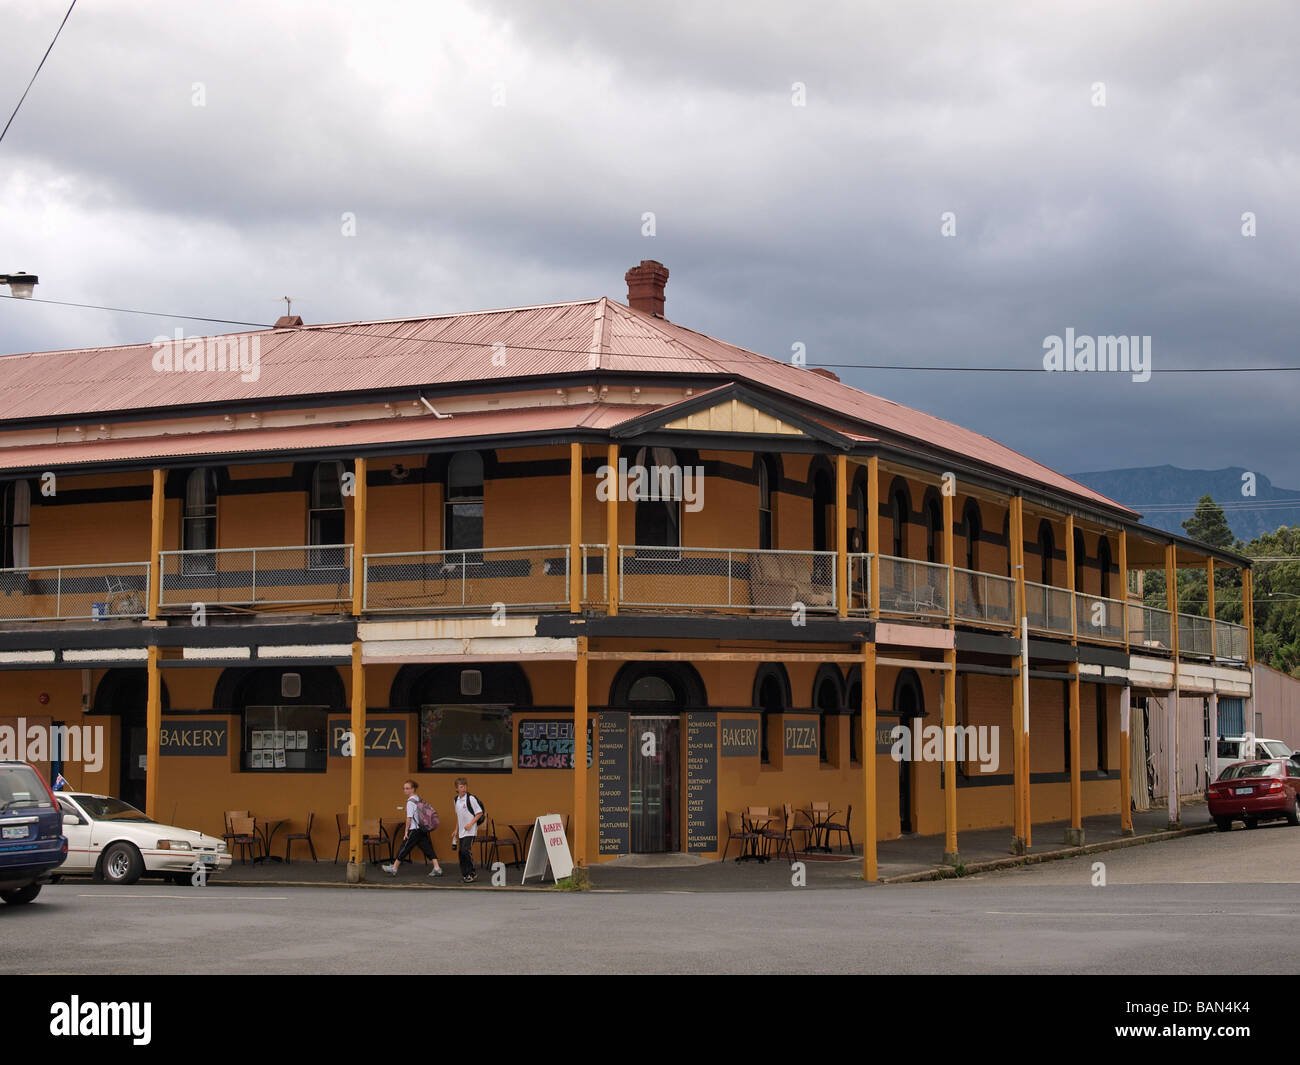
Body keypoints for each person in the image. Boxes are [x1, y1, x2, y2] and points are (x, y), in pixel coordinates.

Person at [382, 779, 444, 878]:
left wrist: (406, 831)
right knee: (427, 848)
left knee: (404, 847)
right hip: (422, 828)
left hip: (414, 829)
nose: (405, 790)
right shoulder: (418, 799)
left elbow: (409, 818)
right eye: (404, 788)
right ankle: (437, 868)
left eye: (407, 788)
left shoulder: (410, 802)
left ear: (413, 789)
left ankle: (394, 868)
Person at [452, 777, 484, 883]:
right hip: (461, 831)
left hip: (470, 830)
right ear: (457, 789)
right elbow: (459, 817)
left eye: (465, 786)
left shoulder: (471, 798)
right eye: (461, 787)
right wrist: (456, 829)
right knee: (461, 852)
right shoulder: (456, 800)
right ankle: (465, 874)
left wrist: (470, 824)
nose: (464, 788)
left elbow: (479, 813)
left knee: (466, 850)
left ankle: (472, 872)